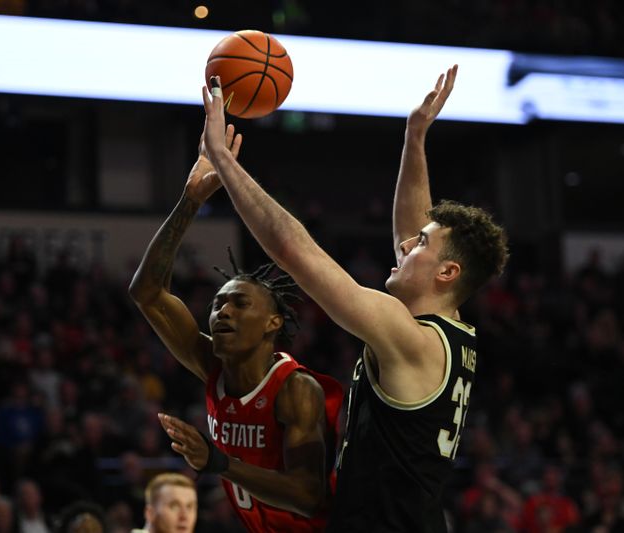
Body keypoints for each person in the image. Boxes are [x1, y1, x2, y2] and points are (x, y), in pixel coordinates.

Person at [200, 65, 509, 533]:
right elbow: (412, 224)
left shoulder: (410, 339)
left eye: (421, 246)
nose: (406, 245)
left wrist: (225, 162)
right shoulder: (446, 326)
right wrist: (415, 137)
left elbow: (294, 252)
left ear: (447, 273)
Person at [128, 128, 342, 532]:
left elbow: (307, 495)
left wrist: (218, 462)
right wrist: (190, 200)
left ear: (273, 323)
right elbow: (147, 293)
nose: (223, 311)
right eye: (217, 303)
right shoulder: (213, 365)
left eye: (240, 303)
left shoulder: (296, 389)